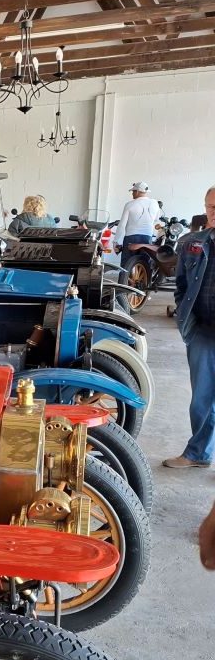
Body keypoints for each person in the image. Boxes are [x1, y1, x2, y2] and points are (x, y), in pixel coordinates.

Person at [163, 185, 215, 468]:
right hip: (203, 330)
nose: (213, 212)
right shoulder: (192, 243)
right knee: (202, 397)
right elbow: (181, 284)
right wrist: (185, 314)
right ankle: (198, 453)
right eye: (210, 206)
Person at [117, 181, 162, 273]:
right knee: (145, 264)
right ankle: (144, 281)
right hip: (147, 237)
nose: (132, 194)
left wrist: (117, 242)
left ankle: (124, 281)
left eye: (133, 191)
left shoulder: (130, 204)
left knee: (126, 266)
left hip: (131, 237)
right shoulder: (155, 203)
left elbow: (122, 225)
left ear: (137, 191)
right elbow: (156, 219)